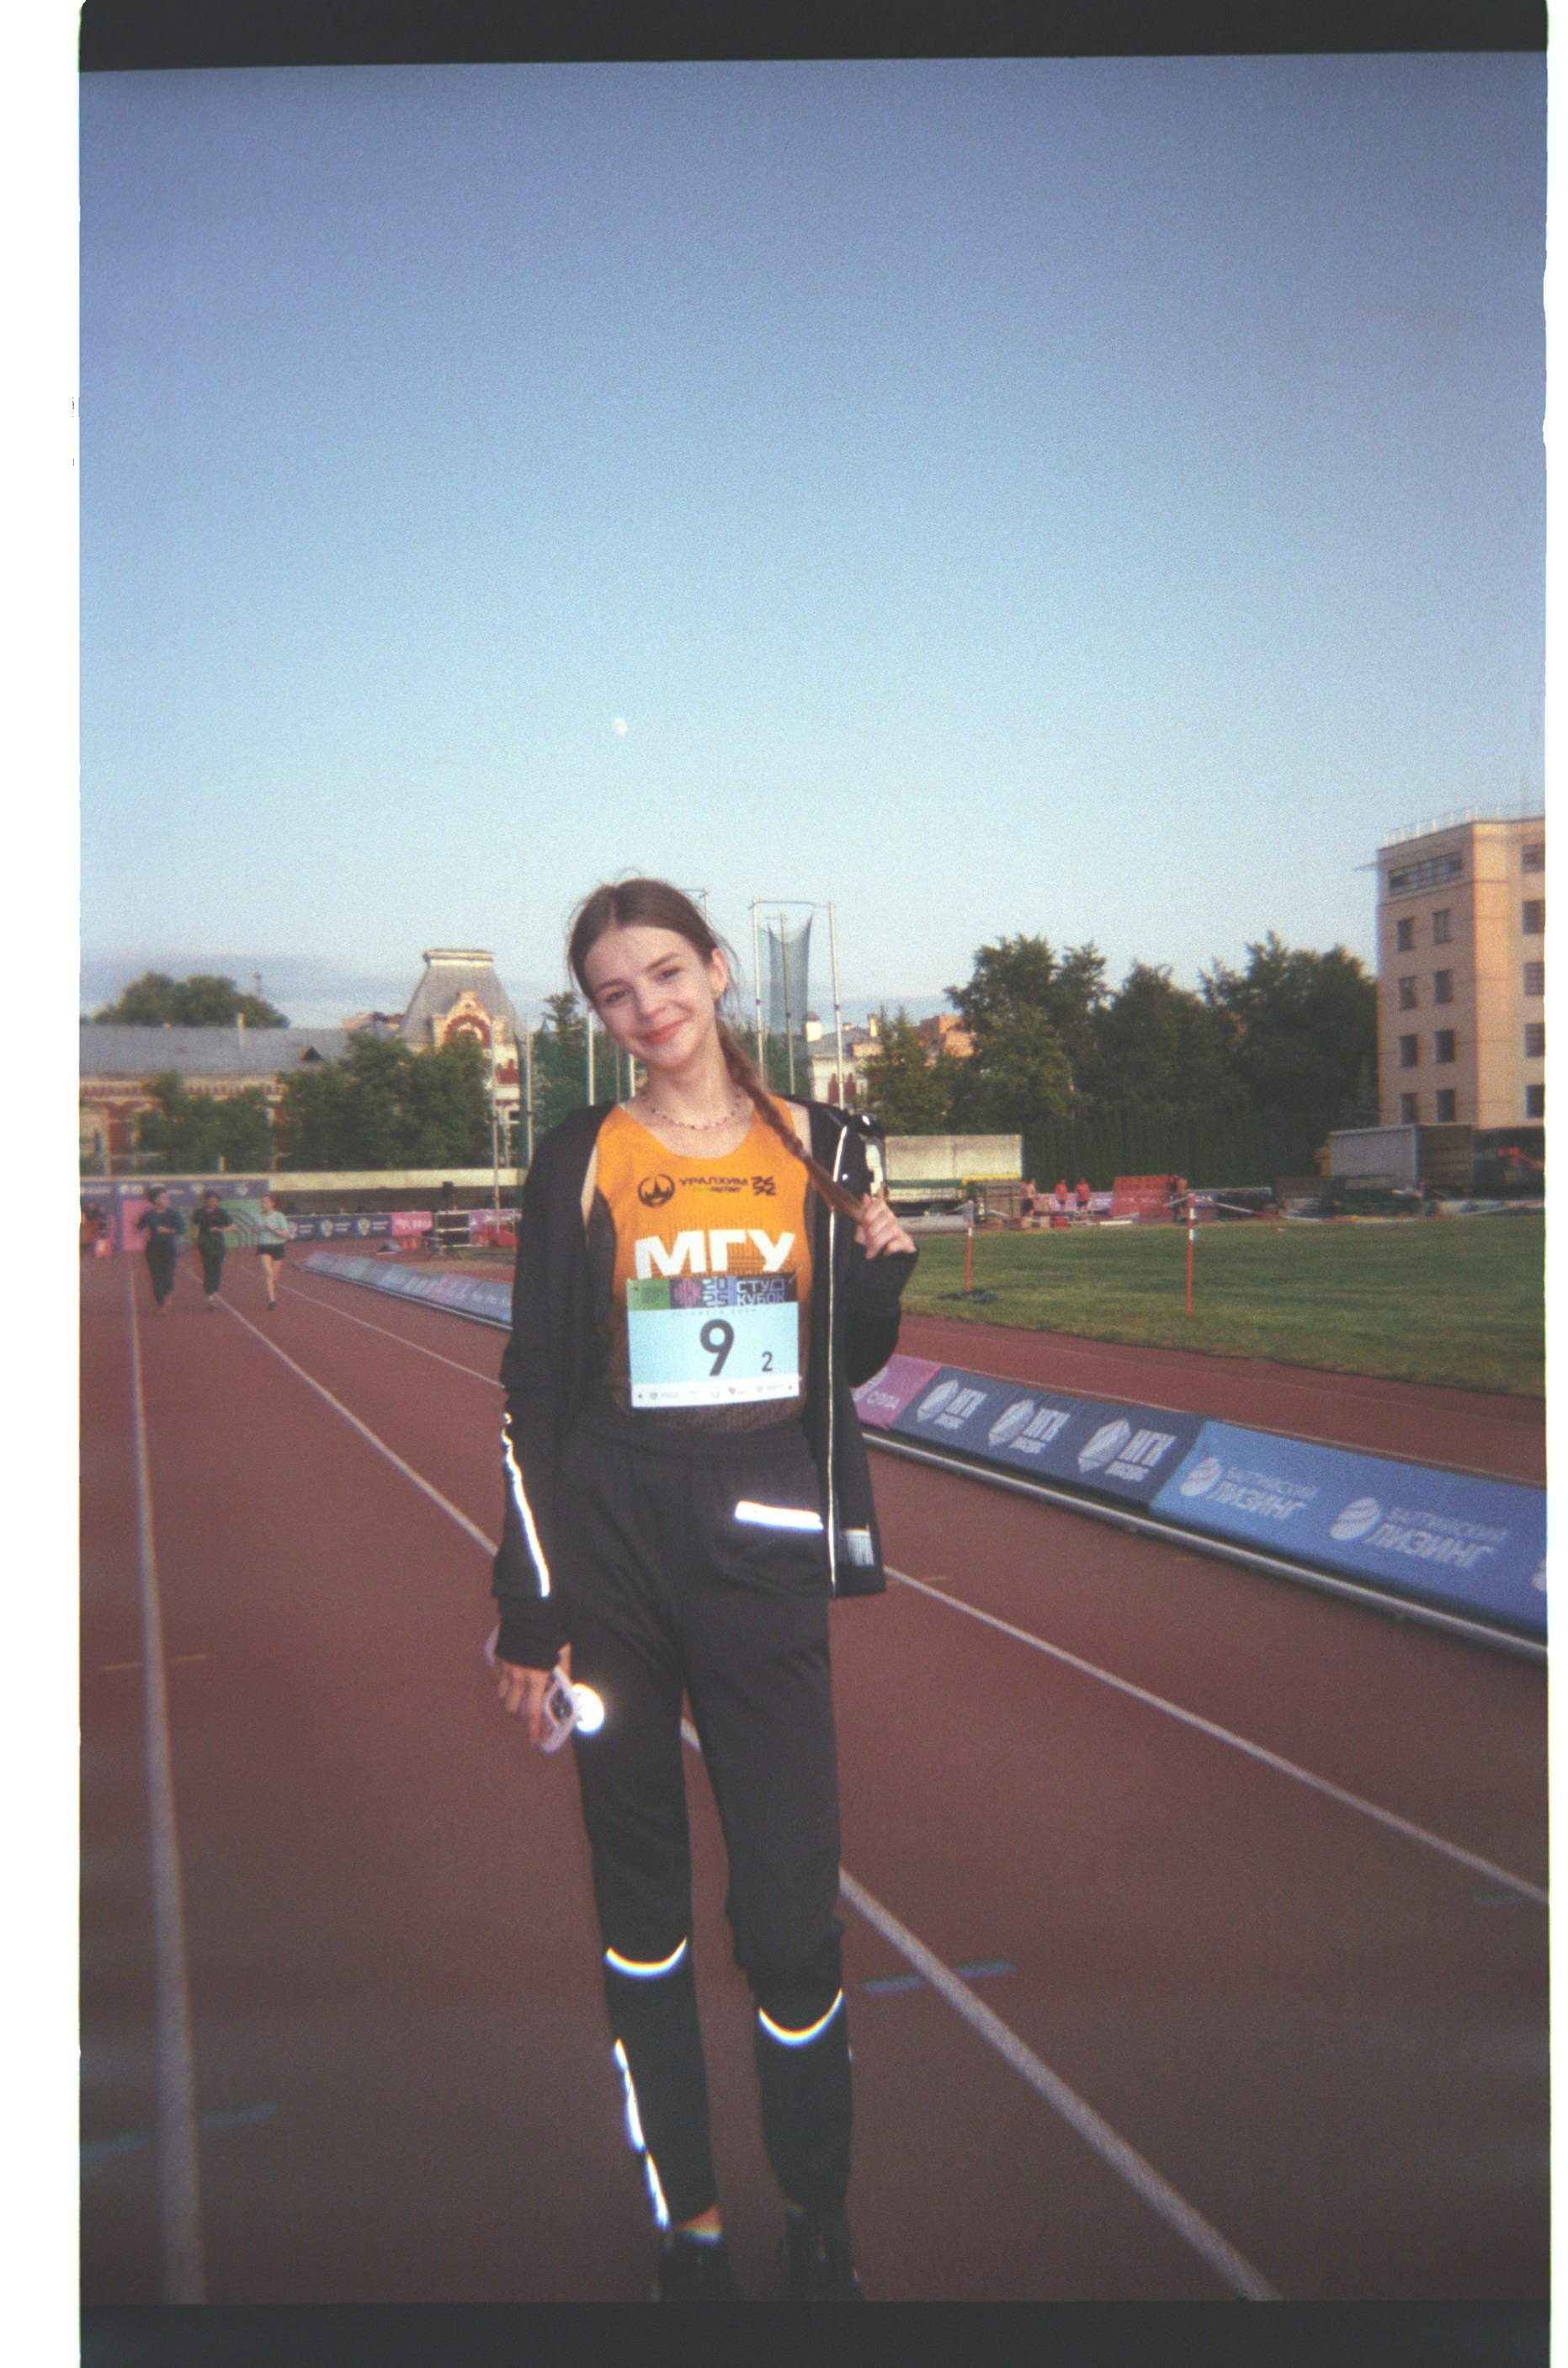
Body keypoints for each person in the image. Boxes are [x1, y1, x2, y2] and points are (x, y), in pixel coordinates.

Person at [489, 880, 917, 2304]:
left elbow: (842, 1362)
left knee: (790, 1918)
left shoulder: (827, 1144)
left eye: (665, 972)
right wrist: (528, 1611)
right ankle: (691, 2222)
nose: (646, 1007)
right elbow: (534, 1389)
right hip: (611, 1549)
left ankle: (815, 2213)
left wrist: (880, 1281)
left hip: (759, 1542)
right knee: (643, 1914)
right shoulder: (580, 1155)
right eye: (613, 992)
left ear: (718, 970)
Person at [136, 1184, 183, 1313]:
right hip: (153, 1249)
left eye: (167, 1197)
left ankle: (168, 1293)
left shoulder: (173, 1214)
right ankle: (161, 1303)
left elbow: (181, 1230)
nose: (167, 1200)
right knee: (156, 1276)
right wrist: (143, 1236)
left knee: (168, 1275)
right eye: (163, 1198)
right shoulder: (149, 1215)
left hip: (169, 1248)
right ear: (156, 1200)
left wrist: (168, 1230)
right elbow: (139, 1228)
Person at [191, 1187, 233, 1309]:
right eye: (210, 1200)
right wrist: (195, 1239)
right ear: (205, 1200)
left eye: (215, 1200)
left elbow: (232, 1227)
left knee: (217, 1269)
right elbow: (194, 1225)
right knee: (208, 1269)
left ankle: (213, 1290)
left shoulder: (222, 1213)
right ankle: (210, 1294)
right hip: (204, 1243)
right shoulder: (199, 1213)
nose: (212, 1202)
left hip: (218, 1244)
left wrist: (220, 1229)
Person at [253, 1192, 289, 1306]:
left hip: (278, 1246)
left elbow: (285, 1234)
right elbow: (255, 1230)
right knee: (268, 1273)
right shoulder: (258, 1216)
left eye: (266, 1202)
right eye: (262, 1202)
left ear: (272, 1203)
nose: (263, 1204)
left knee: (274, 1276)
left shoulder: (279, 1216)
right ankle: (272, 1301)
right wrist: (255, 1230)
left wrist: (272, 1228)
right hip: (264, 1246)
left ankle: (272, 1289)